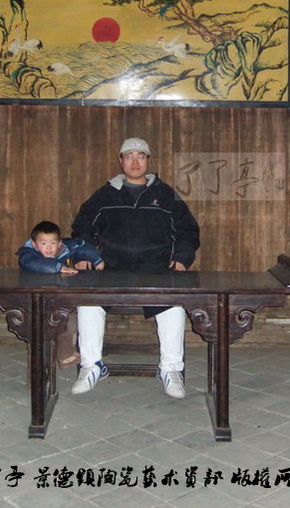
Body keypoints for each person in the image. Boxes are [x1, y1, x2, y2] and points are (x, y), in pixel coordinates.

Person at [71, 138, 200, 398]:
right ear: (121, 161)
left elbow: (188, 230)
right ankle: (91, 366)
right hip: (111, 268)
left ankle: (171, 369)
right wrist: (86, 254)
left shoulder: (167, 195)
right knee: (88, 301)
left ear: (148, 161)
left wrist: (182, 257)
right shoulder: (104, 195)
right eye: (129, 156)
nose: (135, 161)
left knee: (173, 304)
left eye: (141, 156)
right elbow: (82, 227)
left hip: (156, 268)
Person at [16, 220, 104, 368]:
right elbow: (31, 263)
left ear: (59, 243)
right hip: (36, 301)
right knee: (38, 335)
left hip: (61, 298)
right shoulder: (28, 253)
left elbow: (81, 247)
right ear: (34, 244)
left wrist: (97, 259)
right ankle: (37, 370)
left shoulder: (65, 249)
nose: (49, 247)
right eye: (44, 243)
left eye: (53, 243)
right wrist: (59, 267)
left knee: (69, 322)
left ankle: (66, 355)